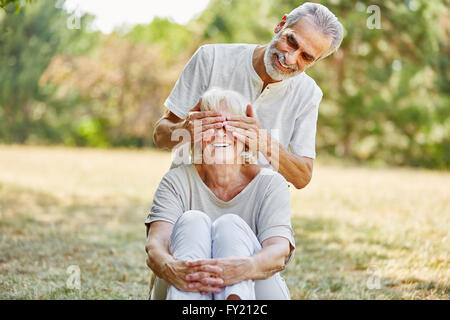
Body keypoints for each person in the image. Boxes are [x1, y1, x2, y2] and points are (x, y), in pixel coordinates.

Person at [152, 2, 344, 189]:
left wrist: (263, 141)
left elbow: (302, 177)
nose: (290, 58)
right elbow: (160, 135)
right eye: (291, 41)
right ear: (281, 24)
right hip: (192, 194)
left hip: (255, 209)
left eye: (306, 57)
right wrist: (186, 130)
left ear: (315, 61)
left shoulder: (308, 94)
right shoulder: (210, 59)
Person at [145, 88, 295, 300]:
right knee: (192, 220)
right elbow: (155, 247)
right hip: (182, 287)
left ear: (248, 136)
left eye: (232, 125)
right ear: (194, 134)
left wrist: (244, 267)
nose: (221, 133)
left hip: (256, 292)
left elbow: (279, 252)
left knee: (230, 225)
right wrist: (177, 268)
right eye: (210, 125)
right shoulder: (176, 180)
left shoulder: (271, 183)